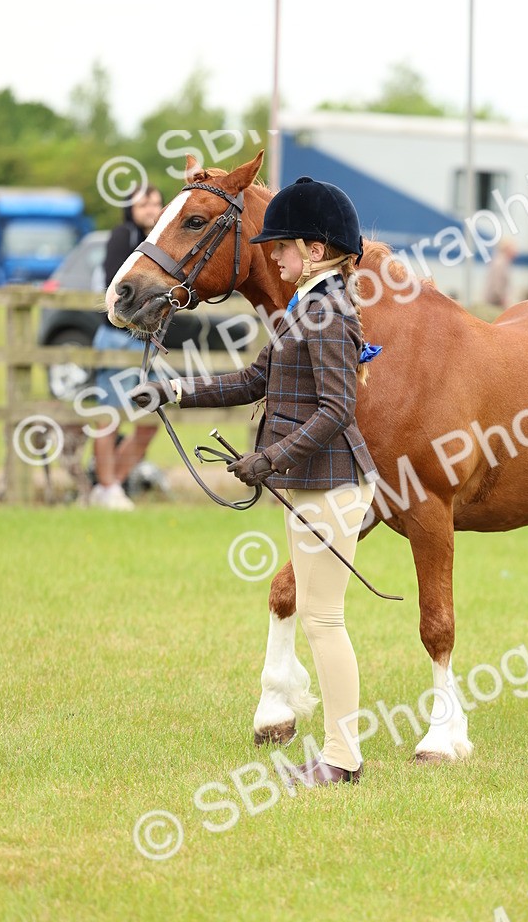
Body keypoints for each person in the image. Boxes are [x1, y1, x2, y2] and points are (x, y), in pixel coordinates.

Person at [130, 177, 380, 788]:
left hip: (332, 483)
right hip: (311, 483)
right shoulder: (303, 307)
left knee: (324, 621)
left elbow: (337, 410)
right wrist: (175, 390)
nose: (275, 257)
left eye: (284, 248)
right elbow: (252, 380)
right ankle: (340, 756)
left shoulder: (328, 315)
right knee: (320, 618)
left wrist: (268, 459)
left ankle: (343, 759)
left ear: (316, 250)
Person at [90, 185, 164, 510]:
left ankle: (111, 484)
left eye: (156, 203)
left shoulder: (162, 240)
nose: (151, 209)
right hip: (118, 337)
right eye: (144, 204)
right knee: (111, 415)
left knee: (152, 418)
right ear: (130, 208)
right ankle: (107, 487)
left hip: (148, 342)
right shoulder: (123, 236)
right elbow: (115, 283)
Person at [483, 238, 519, 308]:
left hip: (495, 301)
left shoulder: (502, 261)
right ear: (506, 249)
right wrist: (502, 299)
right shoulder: (500, 263)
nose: (516, 252)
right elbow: (497, 284)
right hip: (495, 302)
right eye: (513, 249)